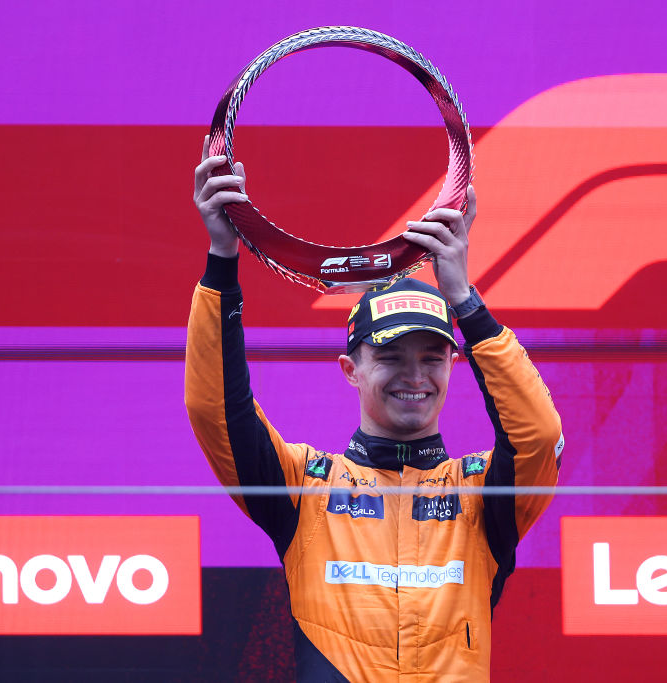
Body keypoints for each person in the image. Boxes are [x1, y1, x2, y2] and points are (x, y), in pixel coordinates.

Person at [186, 137, 564, 681]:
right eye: (390, 356)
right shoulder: (303, 488)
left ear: (455, 365)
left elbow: (538, 435)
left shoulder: (483, 496)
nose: (415, 377)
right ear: (350, 369)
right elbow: (215, 410)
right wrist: (222, 259)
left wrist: (464, 300)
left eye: (433, 357)